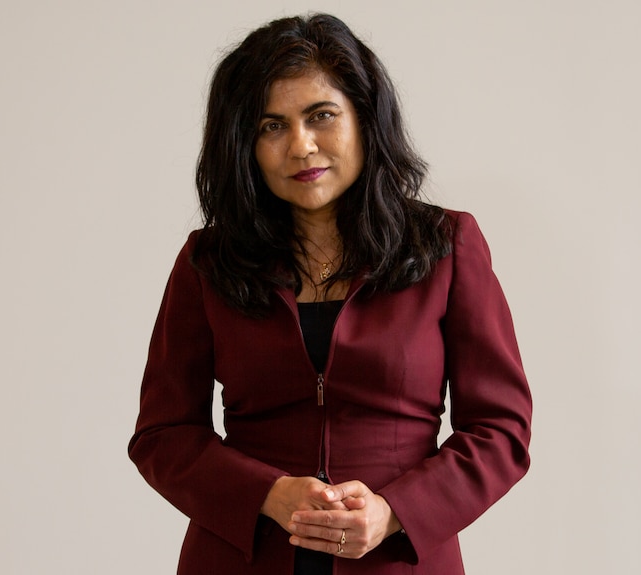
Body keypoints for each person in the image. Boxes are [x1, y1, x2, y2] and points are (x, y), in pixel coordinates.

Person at [129, 13, 532, 575]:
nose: (301, 145)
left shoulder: (446, 247)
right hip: (242, 559)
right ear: (244, 143)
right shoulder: (208, 261)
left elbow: (501, 431)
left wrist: (394, 510)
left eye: (322, 116)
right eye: (272, 126)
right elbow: (162, 435)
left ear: (365, 121)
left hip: (398, 559)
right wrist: (268, 494)